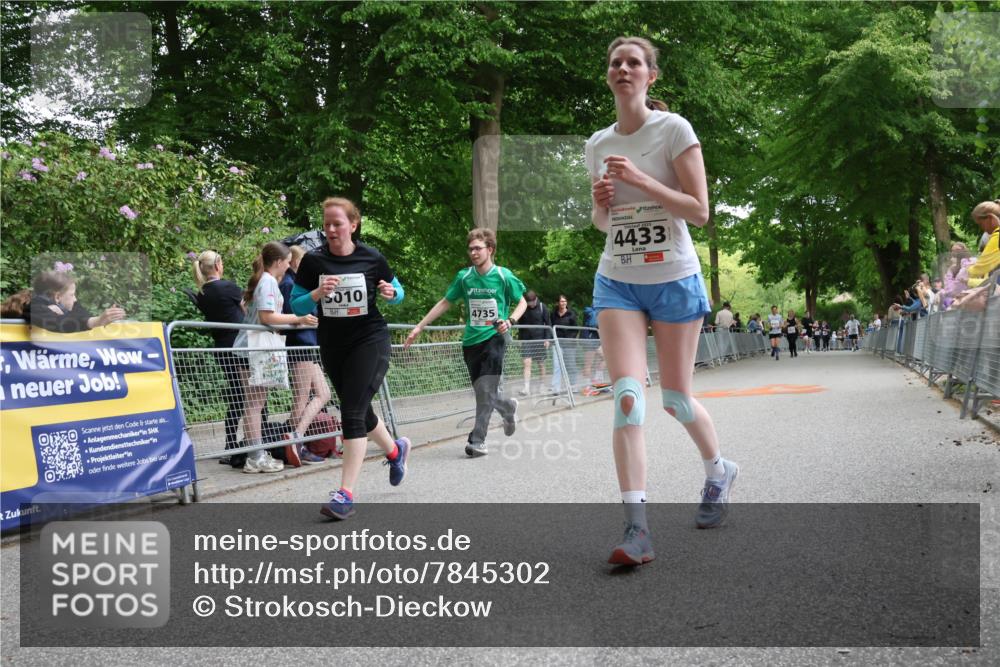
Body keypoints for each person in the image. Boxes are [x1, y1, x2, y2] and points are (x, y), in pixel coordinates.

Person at [587, 35, 738, 565]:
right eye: (616, 62)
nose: (623, 68)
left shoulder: (674, 129)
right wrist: (600, 203)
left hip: (673, 276)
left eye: (634, 62)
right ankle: (637, 529)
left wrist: (641, 180)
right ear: (608, 75)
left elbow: (699, 211)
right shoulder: (597, 144)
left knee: (675, 399)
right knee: (628, 397)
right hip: (618, 279)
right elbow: (603, 223)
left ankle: (718, 471)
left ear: (650, 75)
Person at [291, 197, 410, 518]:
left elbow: (397, 291)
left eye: (337, 223)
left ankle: (345, 494)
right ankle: (396, 451)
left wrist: (392, 294)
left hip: (370, 340)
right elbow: (297, 304)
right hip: (333, 344)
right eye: (326, 224)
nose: (331, 229)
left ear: (353, 225)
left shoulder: (372, 257)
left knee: (352, 412)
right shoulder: (313, 261)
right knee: (360, 410)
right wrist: (317, 293)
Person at [405, 228, 526, 457]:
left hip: (495, 337)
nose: (473, 253)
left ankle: (477, 440)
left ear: (490, 249)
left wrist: (510, 321)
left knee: (486, 389)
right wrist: (420, 326)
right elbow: (445, 302)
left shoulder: (503, 276)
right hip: (471, 341)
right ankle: (507, 407)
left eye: (478, 248)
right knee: (482, 391)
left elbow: (522, 302)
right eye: (470, 249)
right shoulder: (464, 277)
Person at [235, 242, 318, 474]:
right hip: (251, 350)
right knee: (254, 404)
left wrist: (291, 321)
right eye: (288, 261)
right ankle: (255, 457)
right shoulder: (268, 281)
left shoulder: (265, 280)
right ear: (279, 261)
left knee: (256, 403)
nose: (289, 266)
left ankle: (257, 455)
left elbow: (259, 314)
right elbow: (267, 317)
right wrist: (299, 318)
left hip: (253, 349)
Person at [192, 250, 264, 464]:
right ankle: (259, 443)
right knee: (255, 395)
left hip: (221, 347)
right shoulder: (228, 287)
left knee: (237, 394)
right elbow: (246, 308)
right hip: (240, 345)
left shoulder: (202, 292)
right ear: (218, 265)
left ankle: (231, 444)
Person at [279, 244, 332, 465]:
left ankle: (295, 438)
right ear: (295, 262)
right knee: (301, 398)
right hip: (300, 344)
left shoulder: (297, 284)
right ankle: (292, 443)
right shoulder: (289, 284)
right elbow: (289, 315)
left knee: (323, 393)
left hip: (308, 344)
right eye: (304, 263)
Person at [29, 268, 126, 333]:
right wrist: (96, 321)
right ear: (57, 297)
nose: (75, 299)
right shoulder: (35, 308)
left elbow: (81, 314)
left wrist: (98, 320)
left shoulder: (57, 306)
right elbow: (62, 324)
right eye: (72, 295)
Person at [516, 290, 551, 396]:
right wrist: (520, 340)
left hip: (540, 340)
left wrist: (547, 339)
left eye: (532, 302)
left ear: (536, 299)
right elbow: (520, 326)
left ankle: (542, 386)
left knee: (541, 364)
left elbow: (548, 324)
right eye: (528, 303)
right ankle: (526, 388)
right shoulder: (523, 307)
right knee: (526, 363)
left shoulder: (542, 307)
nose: (530, 305)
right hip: (526, 340)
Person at [550, 295, 578, 393]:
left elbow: (576, 329)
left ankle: (573, 386)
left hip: (569, 344)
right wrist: (552, 339)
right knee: (557, 365)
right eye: (561, 301)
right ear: (557, 303)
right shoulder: (553, 314)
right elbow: (551, 327)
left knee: (570, 364)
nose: (563, 303)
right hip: (557, 343)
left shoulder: (572, 314)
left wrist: (570, 339)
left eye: (565, 301)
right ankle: (556, 388)